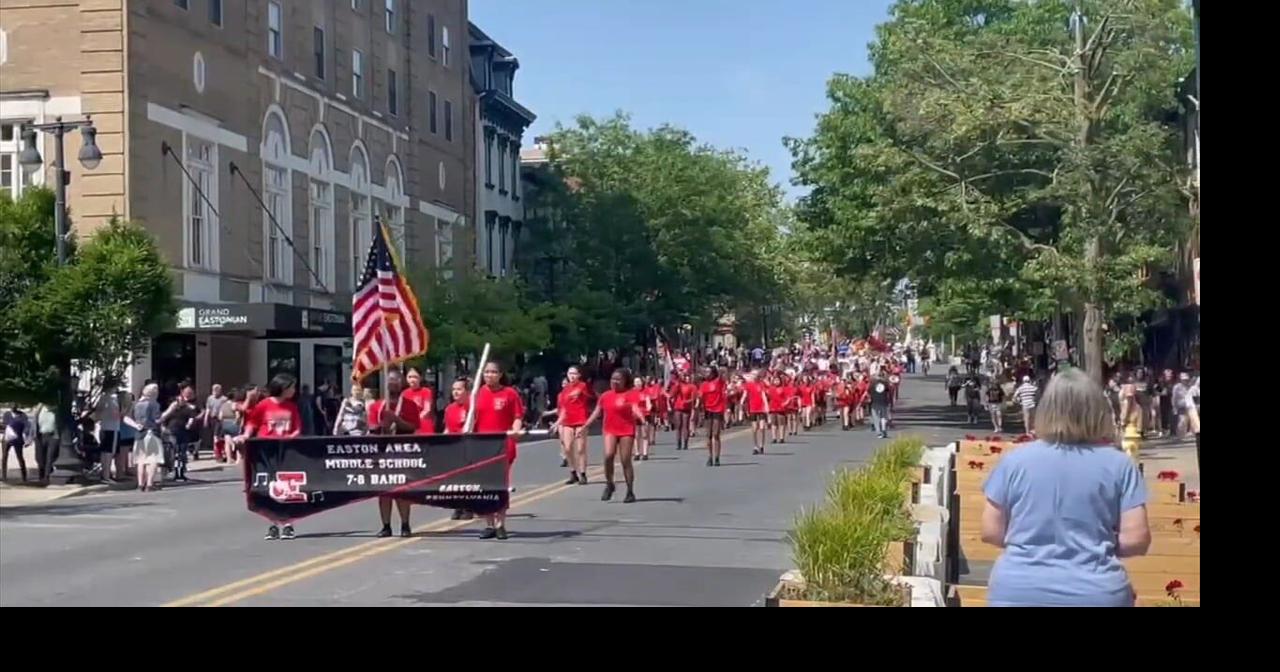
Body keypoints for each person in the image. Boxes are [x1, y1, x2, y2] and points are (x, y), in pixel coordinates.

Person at [980, 369, 1151, 607]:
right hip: (1096, 591)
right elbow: (1136, 540)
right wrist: (1093, 541)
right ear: (1096, 411)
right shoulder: (1120, 465)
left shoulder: (1014, 461)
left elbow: (990, 531)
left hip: (1019, 589)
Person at [241, 374, 303, 540]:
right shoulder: (264, 405)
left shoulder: (292, 407)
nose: (294, 390)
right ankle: (273, 523)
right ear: (282, 388)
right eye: (291, 387)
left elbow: (297, 427)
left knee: (287, 485)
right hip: (266, 448)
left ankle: (288, 523)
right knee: (270, 485)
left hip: (286, 449)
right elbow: (252, 423)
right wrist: (245, 436)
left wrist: (292, 437)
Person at [471, 361, 525, 540]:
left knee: (500, 484)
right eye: (486, 372)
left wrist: (516, 429)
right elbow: (471, 418)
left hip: (503, 445)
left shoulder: (510, 394)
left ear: (500, 374)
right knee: (486, 485)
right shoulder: (477, 394)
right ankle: (489, 524)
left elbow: (517, 417)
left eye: (493, 372)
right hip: (482, 445)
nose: (489, 375)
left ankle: (501, 524)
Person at [368, 369, 421, 538]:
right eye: (390, 380)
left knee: (402, 491)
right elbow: (371, 429)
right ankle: (386, 525)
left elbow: (413, 427)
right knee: (384, 492)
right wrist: (381, 425)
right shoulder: (377, 406)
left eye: (396, 380)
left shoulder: (410, 405)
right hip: (382, 452)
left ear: (401, 383)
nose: (393, 383)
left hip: (402, 451)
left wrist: (397, 420)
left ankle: (405, 525)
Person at [579, 368, 645, 502]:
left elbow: (635, 408)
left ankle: (630, 491)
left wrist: (642, 419)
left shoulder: (630, 394)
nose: (614, 382)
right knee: (608, 456)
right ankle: (609, 484)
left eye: (618, 379)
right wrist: (585, 425)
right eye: (613, 379)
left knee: (625, 460)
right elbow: (597, 412)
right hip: (610, 429)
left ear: (625, 381)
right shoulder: (606, 396)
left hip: (626, 429)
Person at [545, 366, 592, 484]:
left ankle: (583, 473)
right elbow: (563, 410)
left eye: (574, 373)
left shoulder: (582, 386)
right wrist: (557, 423)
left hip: (581, 420)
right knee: (567, 448)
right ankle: (573, 472)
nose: (572, 376)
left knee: (581, 449)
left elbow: (582, 393)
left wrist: (577, 393)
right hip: (567, 421)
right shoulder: (564, 392)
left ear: (579, 375)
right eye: (570, 373)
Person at [125, 384, 165, 492]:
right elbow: (157, 420)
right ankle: (149, 484)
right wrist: (168, 412)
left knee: (141, 460)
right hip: (151, 432)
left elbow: (125, 418)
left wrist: (136, 425)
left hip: (139, 434)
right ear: (154, 393)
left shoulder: (136, 404)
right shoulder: (153, 404)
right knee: (153, 458)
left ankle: (140, 484)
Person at [161, 384, 200, 482]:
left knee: (182, 454)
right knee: (173, 453)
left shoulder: (188, 409)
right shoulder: (172, 409)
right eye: (179, 400)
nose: (181, 401)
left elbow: (192, 417)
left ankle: (181, 473)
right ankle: (173, 472)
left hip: (183, 433)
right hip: (172, 433)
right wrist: (163, 428)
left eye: (183, 400)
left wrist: (189, 424)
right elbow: (164, 418)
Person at [698, 366, 728, 467]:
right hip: (708, 410)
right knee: (708, 435)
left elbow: (723, 372)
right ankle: (710, 457)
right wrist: (698, 407)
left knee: (716, 434)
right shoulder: (703, 385)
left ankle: (717, 457)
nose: (706, 374)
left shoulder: (718, 382)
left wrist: (720, 368)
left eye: (708, 372)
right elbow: (700, 397)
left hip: (717, 409)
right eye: (705, 372)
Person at [743, 369, 770, 455]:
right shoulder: (749, 385)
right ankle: (755, 446)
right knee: (754, 429)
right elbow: (745, 394)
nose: (754, 376)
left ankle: (761, 445)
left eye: (755, 374)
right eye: (752, 374)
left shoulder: (761, 384)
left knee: (762, 428)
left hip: (761, 408)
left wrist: (766, 406)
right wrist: (742, 401)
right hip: (753, 408)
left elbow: (763, 395)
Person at [401, 369, 436, 435]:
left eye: (415, 377)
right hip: (409, 428)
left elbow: (427, 410)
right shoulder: (404, 393)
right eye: (410, 377)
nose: (412, 379)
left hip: (424, 426)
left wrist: (415, 420)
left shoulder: (426, 391)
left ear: (420, 378)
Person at [670, 372, 697, 452]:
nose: (686, 378)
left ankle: (685, 443)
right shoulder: (678, 385)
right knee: (678, 426)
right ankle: (678, 443)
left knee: (685, 425)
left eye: (687, 376)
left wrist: (688, 402)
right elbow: (672, 394)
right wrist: (677, 386)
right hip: (678, 407)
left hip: (686, 407)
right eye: (684, 376)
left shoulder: (692, 386)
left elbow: (694, 398)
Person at [2, 405, 30, 482]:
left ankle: (24, 476)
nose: (13, 407)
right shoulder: (7, 414)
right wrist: (7, 427)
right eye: (12, 405)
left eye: (14, 406)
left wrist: (25, 436)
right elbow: (4, 424)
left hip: (18, 438)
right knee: (4, 457)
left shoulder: (22, 415)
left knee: (20, 457)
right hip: (7, 438)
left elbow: (26, 426)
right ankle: (4, 476)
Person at [33, 403, 58, 483]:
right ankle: (41, 475)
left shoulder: (56, 411)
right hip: (40, 435)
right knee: (40, 457)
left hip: (52, 435)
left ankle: (47, 477)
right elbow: (34, 422)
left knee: (50, 458)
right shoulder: (39, 409)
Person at [632, 375, 654, 461]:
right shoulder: (632, 392)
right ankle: (637, 453)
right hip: (635, 415)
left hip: (645, 415)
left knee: (645, 434)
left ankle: (645, 453)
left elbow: (648, 401)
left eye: (639, 382)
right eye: (636, 382)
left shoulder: (646, 391)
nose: (638, 383)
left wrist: (649, 407)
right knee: (636, 435)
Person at [869, 373, 892, 439]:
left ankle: (878, 432)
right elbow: (888, 391)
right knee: (883, 416)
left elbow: (869, 392)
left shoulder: (872, 384)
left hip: (875, 402)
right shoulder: (885, 383)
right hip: (883, 401)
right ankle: (884, 429)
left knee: (876, 417)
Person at [1156, 370, 1175, 438]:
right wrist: (1161, 393)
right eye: (1167, 375)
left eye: (1170, 375)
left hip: (1171, 402)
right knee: (1162, 416)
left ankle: (1171, 431)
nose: (1169, 377)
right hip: (1162, 402)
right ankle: (1161, 430)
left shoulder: (1173, 383)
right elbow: (1156, 392)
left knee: (1170, 416)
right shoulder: (1161, 383)